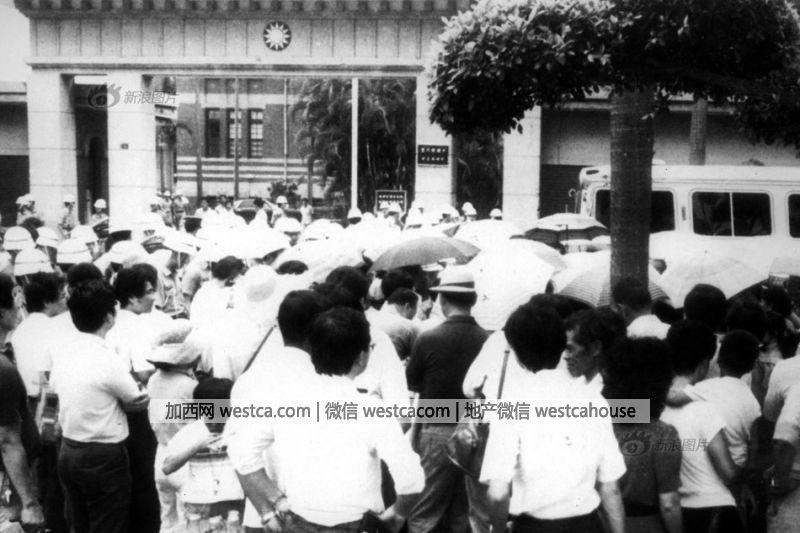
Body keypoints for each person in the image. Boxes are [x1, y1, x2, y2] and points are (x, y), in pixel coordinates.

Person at [228, 306, 424, 533]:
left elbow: (242, 453)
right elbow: (412, 480)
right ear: (362, 356)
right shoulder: (370, 410)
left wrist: (276, 499)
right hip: (355, 525)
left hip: (298, 523)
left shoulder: (287, 405)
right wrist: (397, 514)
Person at [481, 303, 626, 533]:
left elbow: (498, 494)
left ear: (517, 352)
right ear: (560, 346)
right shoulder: (593, 400)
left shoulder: (512, 405)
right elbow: (611, 488)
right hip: (587, 526)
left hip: (534, 528)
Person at [51, 280, 149, 533]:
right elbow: (136, 400)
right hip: (102, 456)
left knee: (80, 524)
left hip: (69, 450)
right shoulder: (106, 358)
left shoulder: (64, 352)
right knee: (108, 525)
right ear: (108, 317)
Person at [405, 265, 490, 533]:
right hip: (474, 433)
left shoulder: (428, 338)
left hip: (436, 429)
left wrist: (415, 434)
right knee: (464, 515)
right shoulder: (488, 340)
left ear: (441, 300)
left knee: (424, 511)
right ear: (473, 301)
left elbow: (415, 388)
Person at [661, 320, 744, 533]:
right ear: (705, 363)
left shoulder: (651, 407)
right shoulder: (706, 408)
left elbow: (615, 409)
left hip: (675, 513)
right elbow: (728, 473)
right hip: (715, 511)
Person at [603, 337, 682, 533]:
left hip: (603, 522)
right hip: (646, 524)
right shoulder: (664, 433)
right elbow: (669, 504)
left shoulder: (598, 424)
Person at [163, 378, 243, 530]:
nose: (216, 419)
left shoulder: (239, 429)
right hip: (199, 507)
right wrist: (198, 445)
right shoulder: (190, 432)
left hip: (232, 505)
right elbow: (167, 467)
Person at [0, 273, 45, 531]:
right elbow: (7, 441)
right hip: (8, 485)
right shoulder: (2, 369)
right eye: (14, 297)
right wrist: (29, 502)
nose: (20, 304)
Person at [145, 321, 200, 533]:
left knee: (167, 520)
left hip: (161, 455)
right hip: (184, 460)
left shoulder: (153, 381)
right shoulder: (191, 386)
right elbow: (215, 416)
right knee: (187, 522)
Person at [559, 309, 626, 393]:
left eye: (570, 349)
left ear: (595, 348)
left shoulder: (608, 394)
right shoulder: (579, 385)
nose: (565, 356)